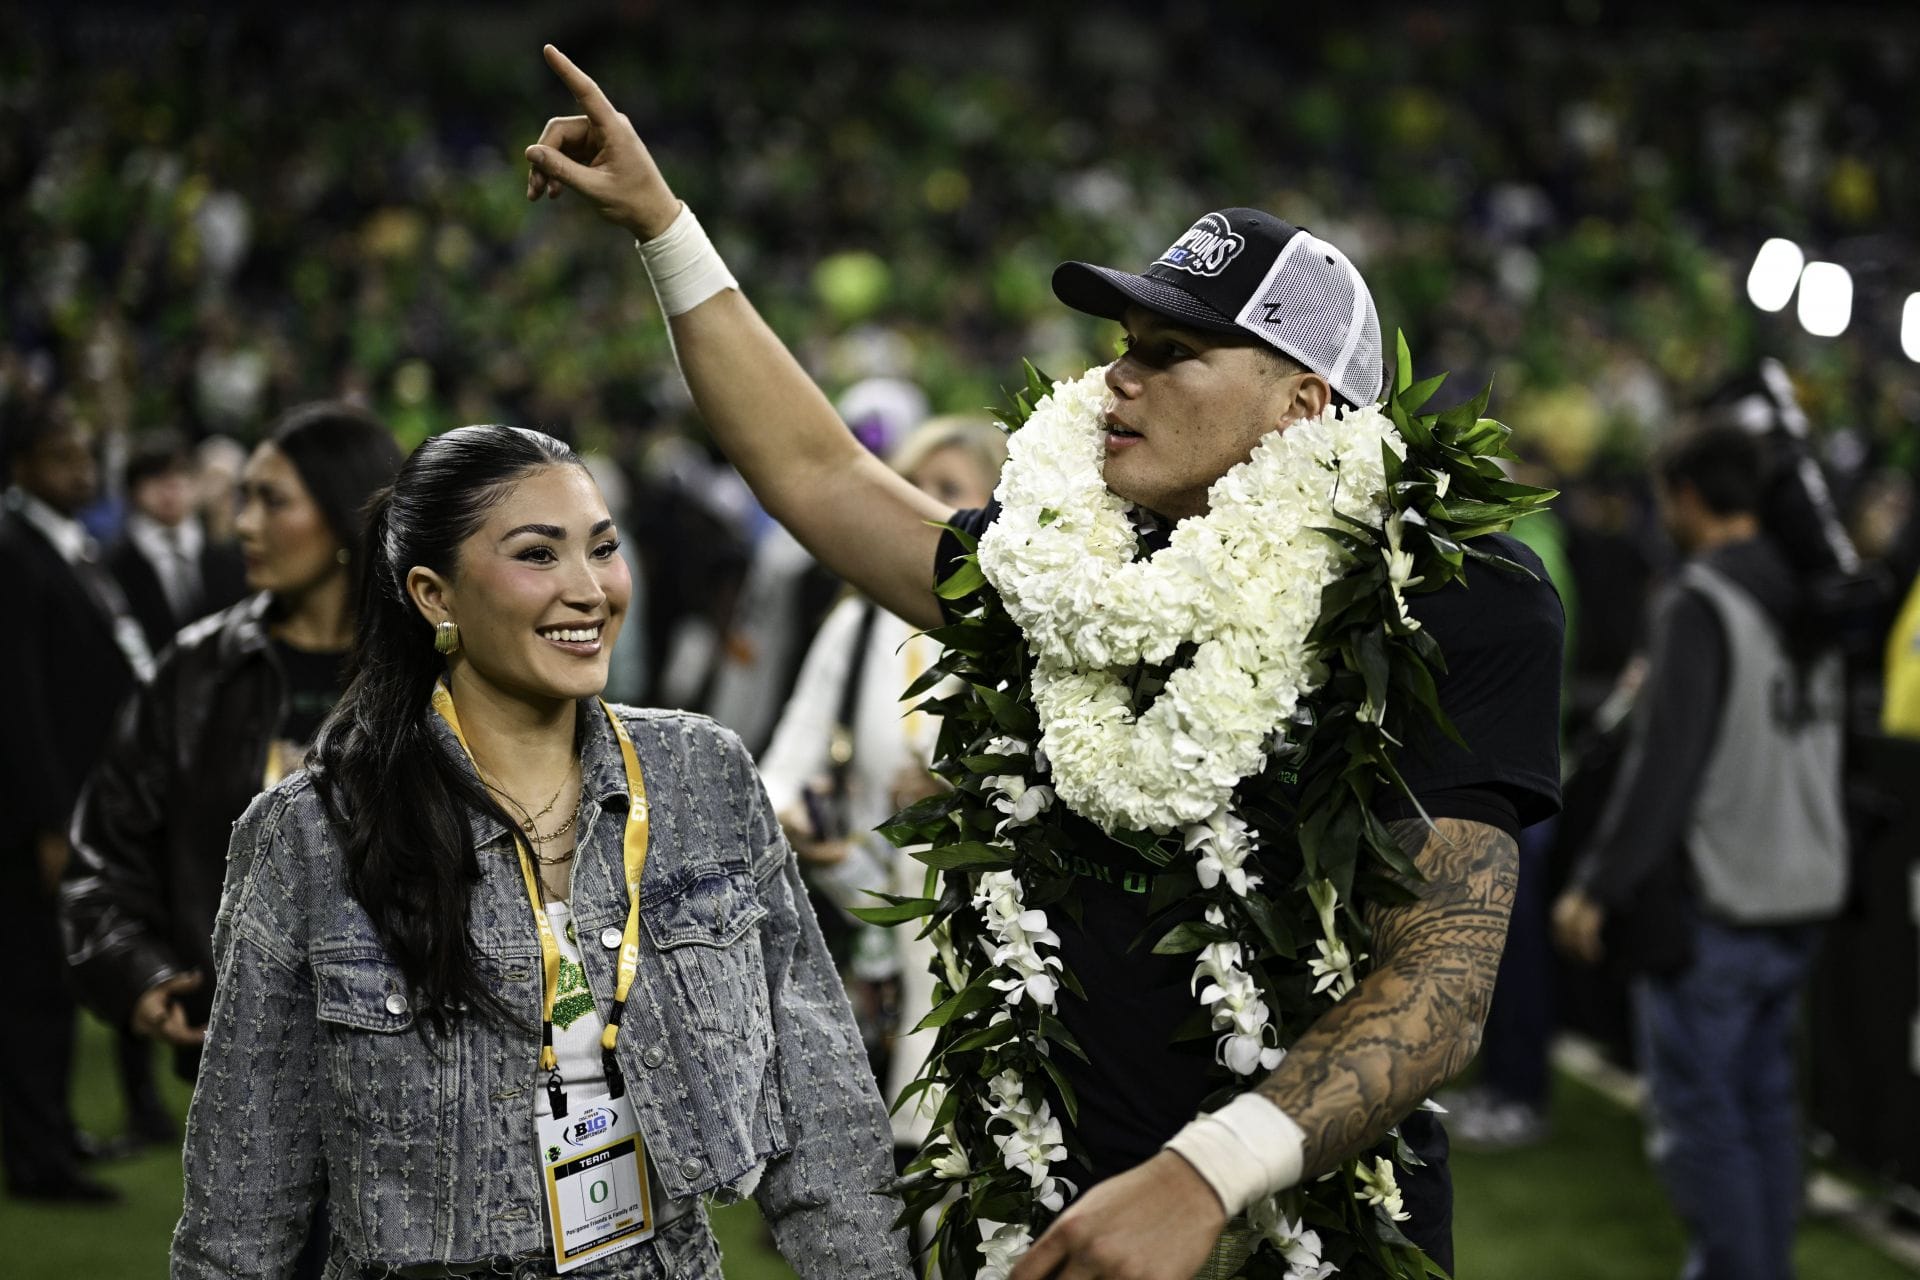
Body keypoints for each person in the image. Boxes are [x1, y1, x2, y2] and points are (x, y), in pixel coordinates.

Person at [523, 45, 1563, 1277]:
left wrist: (1201, 1175)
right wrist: (663, 226)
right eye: (1125, 341)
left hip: (1291, 1229)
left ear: (1300, 406)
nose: (1118, 374)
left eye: (1174, 354)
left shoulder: (1440, 602)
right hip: (1033, 1208)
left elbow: (1440, 985)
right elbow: (818, 474)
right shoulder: (1066, 581)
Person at [171, 424, 905, 1279]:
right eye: (538, 555)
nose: (589, 590)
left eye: (603, 549)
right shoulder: (313, 830)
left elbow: (826, 1123)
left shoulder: (704, 778)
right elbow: (241, 1206)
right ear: (433, 595)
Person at [1552, 424, 1846, 1280]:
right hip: (1804, 886)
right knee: (1764, 1107)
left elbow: (1664, 765)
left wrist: (1597, 886)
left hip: (1723, 895)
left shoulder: (1699, 599)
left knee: (1703, 1117)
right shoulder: (1804, 590)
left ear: (1685, 496)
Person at [64, 403, 404, 1082]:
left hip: (414, 1053)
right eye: (242, 498)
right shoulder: (195, 671)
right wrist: (139, 973)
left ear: (344, 515)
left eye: (271, 501)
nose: (243, 522)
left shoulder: (435, 668)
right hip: (246, 1056)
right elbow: (103, 851)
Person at [759, 416, 1007, 1145]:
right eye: (911, 486)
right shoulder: (860, 620)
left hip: (981, 954)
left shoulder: (1015, 625)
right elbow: (784, 763)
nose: (922, 505)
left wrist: (962, 798)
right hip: (863, 933)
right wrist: (800, 829)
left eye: (949, 491)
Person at [0, 398, 149, 1203]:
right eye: (61, 457)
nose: (80, 470)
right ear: (20, 464)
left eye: (84, 454)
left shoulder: (67, 543)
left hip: (89, 800)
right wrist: (49, 821)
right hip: (43, 816)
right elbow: (19, 704)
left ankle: (51, 1132)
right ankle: (36, 1161)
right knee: (31, 987)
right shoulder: (15, 552)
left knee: (57, 982)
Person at [104, 429, 248, 657]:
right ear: (134, 489)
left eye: (181, 474)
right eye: (156, 476)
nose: (171, 487)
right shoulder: (112, 566)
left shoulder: (231, 557)